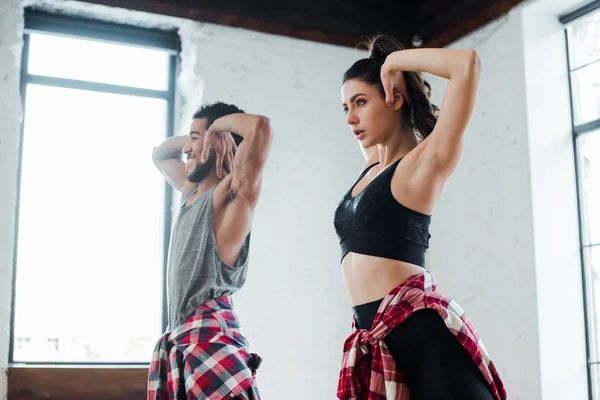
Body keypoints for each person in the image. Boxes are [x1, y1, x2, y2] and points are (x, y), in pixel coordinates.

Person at [334, 36, 507, 399]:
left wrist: (393, 63)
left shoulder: (423, 165)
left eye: (361, 102)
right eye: (346, 107)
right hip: (378, 341)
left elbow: (466, 65)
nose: (350, 118)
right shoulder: (372, 166)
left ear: (393, 97)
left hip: (422, 340)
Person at [147, 101, 272, 400]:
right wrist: (202, 137)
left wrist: (216, 128)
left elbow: (260, 127)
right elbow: (160, 154)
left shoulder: (232, 195)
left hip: (211, 342)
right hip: (183, 342)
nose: (187, 149)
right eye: (189, 138)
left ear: (221, 142)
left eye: (193, 139)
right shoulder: (190, 194)